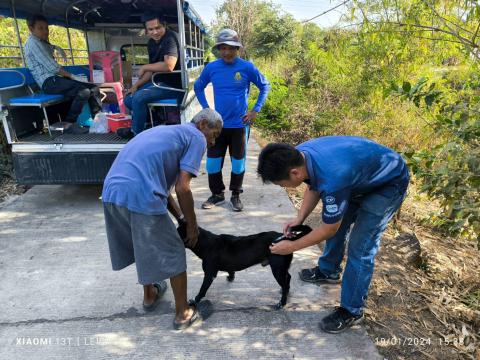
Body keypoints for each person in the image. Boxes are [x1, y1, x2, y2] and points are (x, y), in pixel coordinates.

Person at [257, 136, 409, 333]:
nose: (282, 187)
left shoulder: (334, 176)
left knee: (360, 246)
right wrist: (299, 218)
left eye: (281, 184)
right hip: (357, 178)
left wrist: (291, 247)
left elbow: (329, 229)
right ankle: (328, 270)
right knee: (335, 220)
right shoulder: (299, 156)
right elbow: (314, 185)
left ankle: (352, 310)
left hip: (388, 184)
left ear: (294, 173)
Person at [102, 108, 222, 329]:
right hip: (139, 193)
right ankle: (183, 313)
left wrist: (180, 218)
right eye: (214, 135)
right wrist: (192, 227)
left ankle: (150, 294)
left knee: (142, 244)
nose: (212, 143)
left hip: (111, 192)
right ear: (203, 124)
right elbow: (183, 188)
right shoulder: (196, 137)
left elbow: (164, 190)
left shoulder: (167, 132)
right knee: (174, 250)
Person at [194, 29, 270, 212]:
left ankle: (235, 194)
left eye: (231, 48)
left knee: (238, 163)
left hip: (239, 125)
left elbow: (265, 86)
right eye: (223, 48)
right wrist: (206, 108)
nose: (227, 52)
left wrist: (255, 110)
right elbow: (198, 86)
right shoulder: (212, 68)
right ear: (219, 48)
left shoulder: (247, 67)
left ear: (238, 49)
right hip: (216, 127)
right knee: (212, 163)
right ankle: (217, 194)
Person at [24, 14, 102, 131]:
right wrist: (72, 76)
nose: (45, 31)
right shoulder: (33, 43)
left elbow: (48, 50)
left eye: (46, 28)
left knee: (94, 88)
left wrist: (56, 47)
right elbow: (53, 67)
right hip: (48, 83)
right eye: (41, 28)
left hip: (56, 80)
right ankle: (69, 124)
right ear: (31, 29)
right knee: (83, 91)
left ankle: (98, 120)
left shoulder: (41, 42)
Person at [117, 13, 182, 139]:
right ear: (146, 31)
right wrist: (136, 86)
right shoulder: (151, 43)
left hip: (174, 87)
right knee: (129, 98)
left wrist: (144, 67)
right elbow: (152, 69)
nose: (155, 32)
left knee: (139, 98)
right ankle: (151, 123)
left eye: (158, 28)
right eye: (151, 29)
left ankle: (136, 135)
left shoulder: (170, 38)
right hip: (158, 83)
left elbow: (169, 65)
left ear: (165, 26)